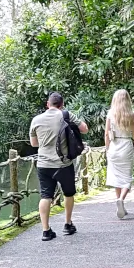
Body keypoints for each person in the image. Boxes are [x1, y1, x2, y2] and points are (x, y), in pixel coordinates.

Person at [29, 92, 88, 241]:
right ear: (62, 105)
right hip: (63, 164)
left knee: (45, 196)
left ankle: (46, 230)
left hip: (43, 164)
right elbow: (84, 129)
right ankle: (68, 225)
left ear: (47, 104)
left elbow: (34, 144)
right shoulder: (66, 115)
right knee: (68, 194)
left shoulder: (36, 120)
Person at [105, 89, 134, 219]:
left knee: (117, 177)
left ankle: (119, 202)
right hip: (126, 146)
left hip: (114, 147)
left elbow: (106, 133)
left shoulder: (110, 114)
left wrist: (107, 150)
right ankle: (121, 200)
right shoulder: (131, 115)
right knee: (127, 177)